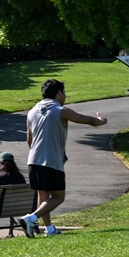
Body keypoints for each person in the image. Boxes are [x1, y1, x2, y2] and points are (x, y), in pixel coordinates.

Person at [22, 79, 108, 236]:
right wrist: (102, 122)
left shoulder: (32, 112)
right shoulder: (60, 110)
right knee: (58, 196)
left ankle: (49, 229)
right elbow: (89, 120)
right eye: (64, 92)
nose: (65, 96)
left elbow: (29, 140)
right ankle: (31, 218)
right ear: (59, 93)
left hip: (33, 160)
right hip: (51, 161)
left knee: (43, 195)